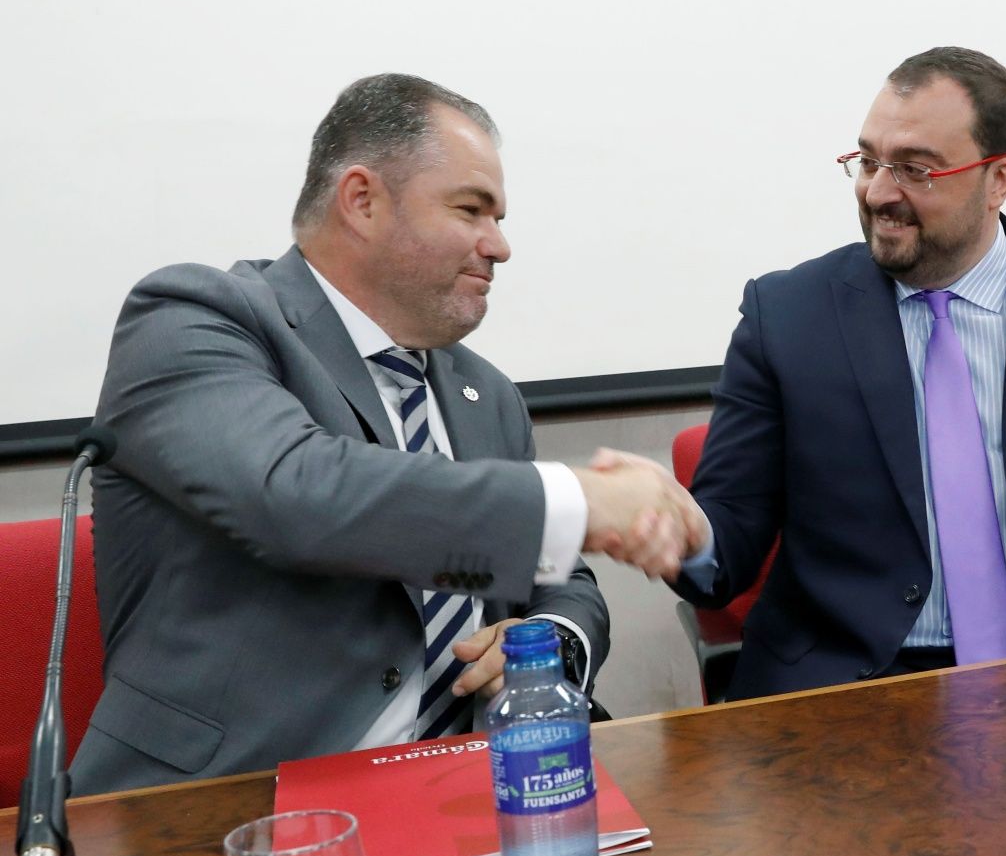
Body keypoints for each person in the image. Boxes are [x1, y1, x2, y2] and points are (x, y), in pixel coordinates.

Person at [73, 74, 701, 794]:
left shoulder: (485, 393)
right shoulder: (193, 319)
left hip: (470, 793)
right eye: (472, 210)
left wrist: (551, 641)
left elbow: (563, 582)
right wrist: (586, 499)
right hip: (232, 809)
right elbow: (301, 495)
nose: (498, 245)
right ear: (362, 200)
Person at [654, 46, 1006, 698]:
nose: (877, 192)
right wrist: (677, 527)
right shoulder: (787, 316)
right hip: (848, 692)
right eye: (868, 160)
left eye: (914, 170)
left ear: (1000, 179)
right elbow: (728, 532)